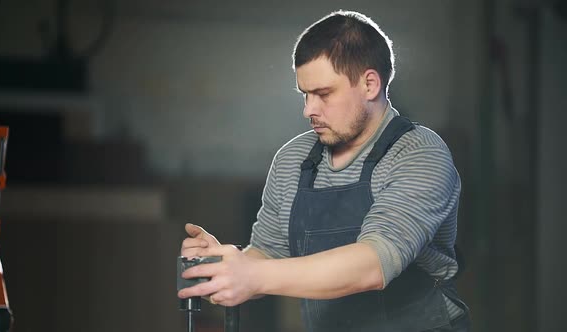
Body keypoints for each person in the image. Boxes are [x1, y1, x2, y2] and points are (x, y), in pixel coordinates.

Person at [178, 10, 470, 331]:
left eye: (324, 94)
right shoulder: (293, 159)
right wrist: (225, 266)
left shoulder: (419, 153)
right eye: (305, 94)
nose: (308, 110)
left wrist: (252, 275)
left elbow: (373, 265)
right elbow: (269, 256)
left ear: (370, 84)